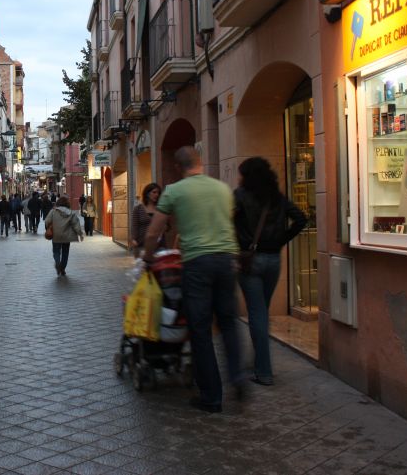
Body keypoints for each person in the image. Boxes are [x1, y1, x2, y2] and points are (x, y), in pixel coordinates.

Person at [143, 146, 244, 414]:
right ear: (201, 162)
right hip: (226, 260)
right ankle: (237, 376)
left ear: (179, 167)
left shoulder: (175, 191)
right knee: (228, 323)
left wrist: (148, 258)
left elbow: (155, 231)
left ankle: (211, 396)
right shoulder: (222, 189)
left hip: (197, 263)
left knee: (200, 330)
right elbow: (229, 221)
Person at [234, 157, 307, 386]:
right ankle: (259, 362)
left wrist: (239, 244)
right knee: (261, 311)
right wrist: (281, 240)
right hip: (274, 260)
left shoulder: (240, 196)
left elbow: (230, 223)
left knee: (257, 313)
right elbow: (301, 219)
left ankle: (263, 371)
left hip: (250, 260)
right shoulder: (277, 197)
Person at [44, 195, 84, 276]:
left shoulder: (53, 211)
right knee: (65, 253)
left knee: (56, 251)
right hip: (67, 236)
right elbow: (76, 224)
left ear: (58, 203)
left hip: (56, 235)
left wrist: (48, 228)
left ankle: (58, 263)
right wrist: (80, 233)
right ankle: (62, 268)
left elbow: (47, 221)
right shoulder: (71, 213)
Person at [131, 183, 163, 257]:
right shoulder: (138, 209)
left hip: (158, 245)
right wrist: (134, 239)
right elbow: (134, 226)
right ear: (147, 193)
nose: (156, 195)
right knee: (145, 267)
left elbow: (167, 226)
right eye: (154, 192)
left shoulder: (161, 209)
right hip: (142, 244)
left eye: (158, 193)